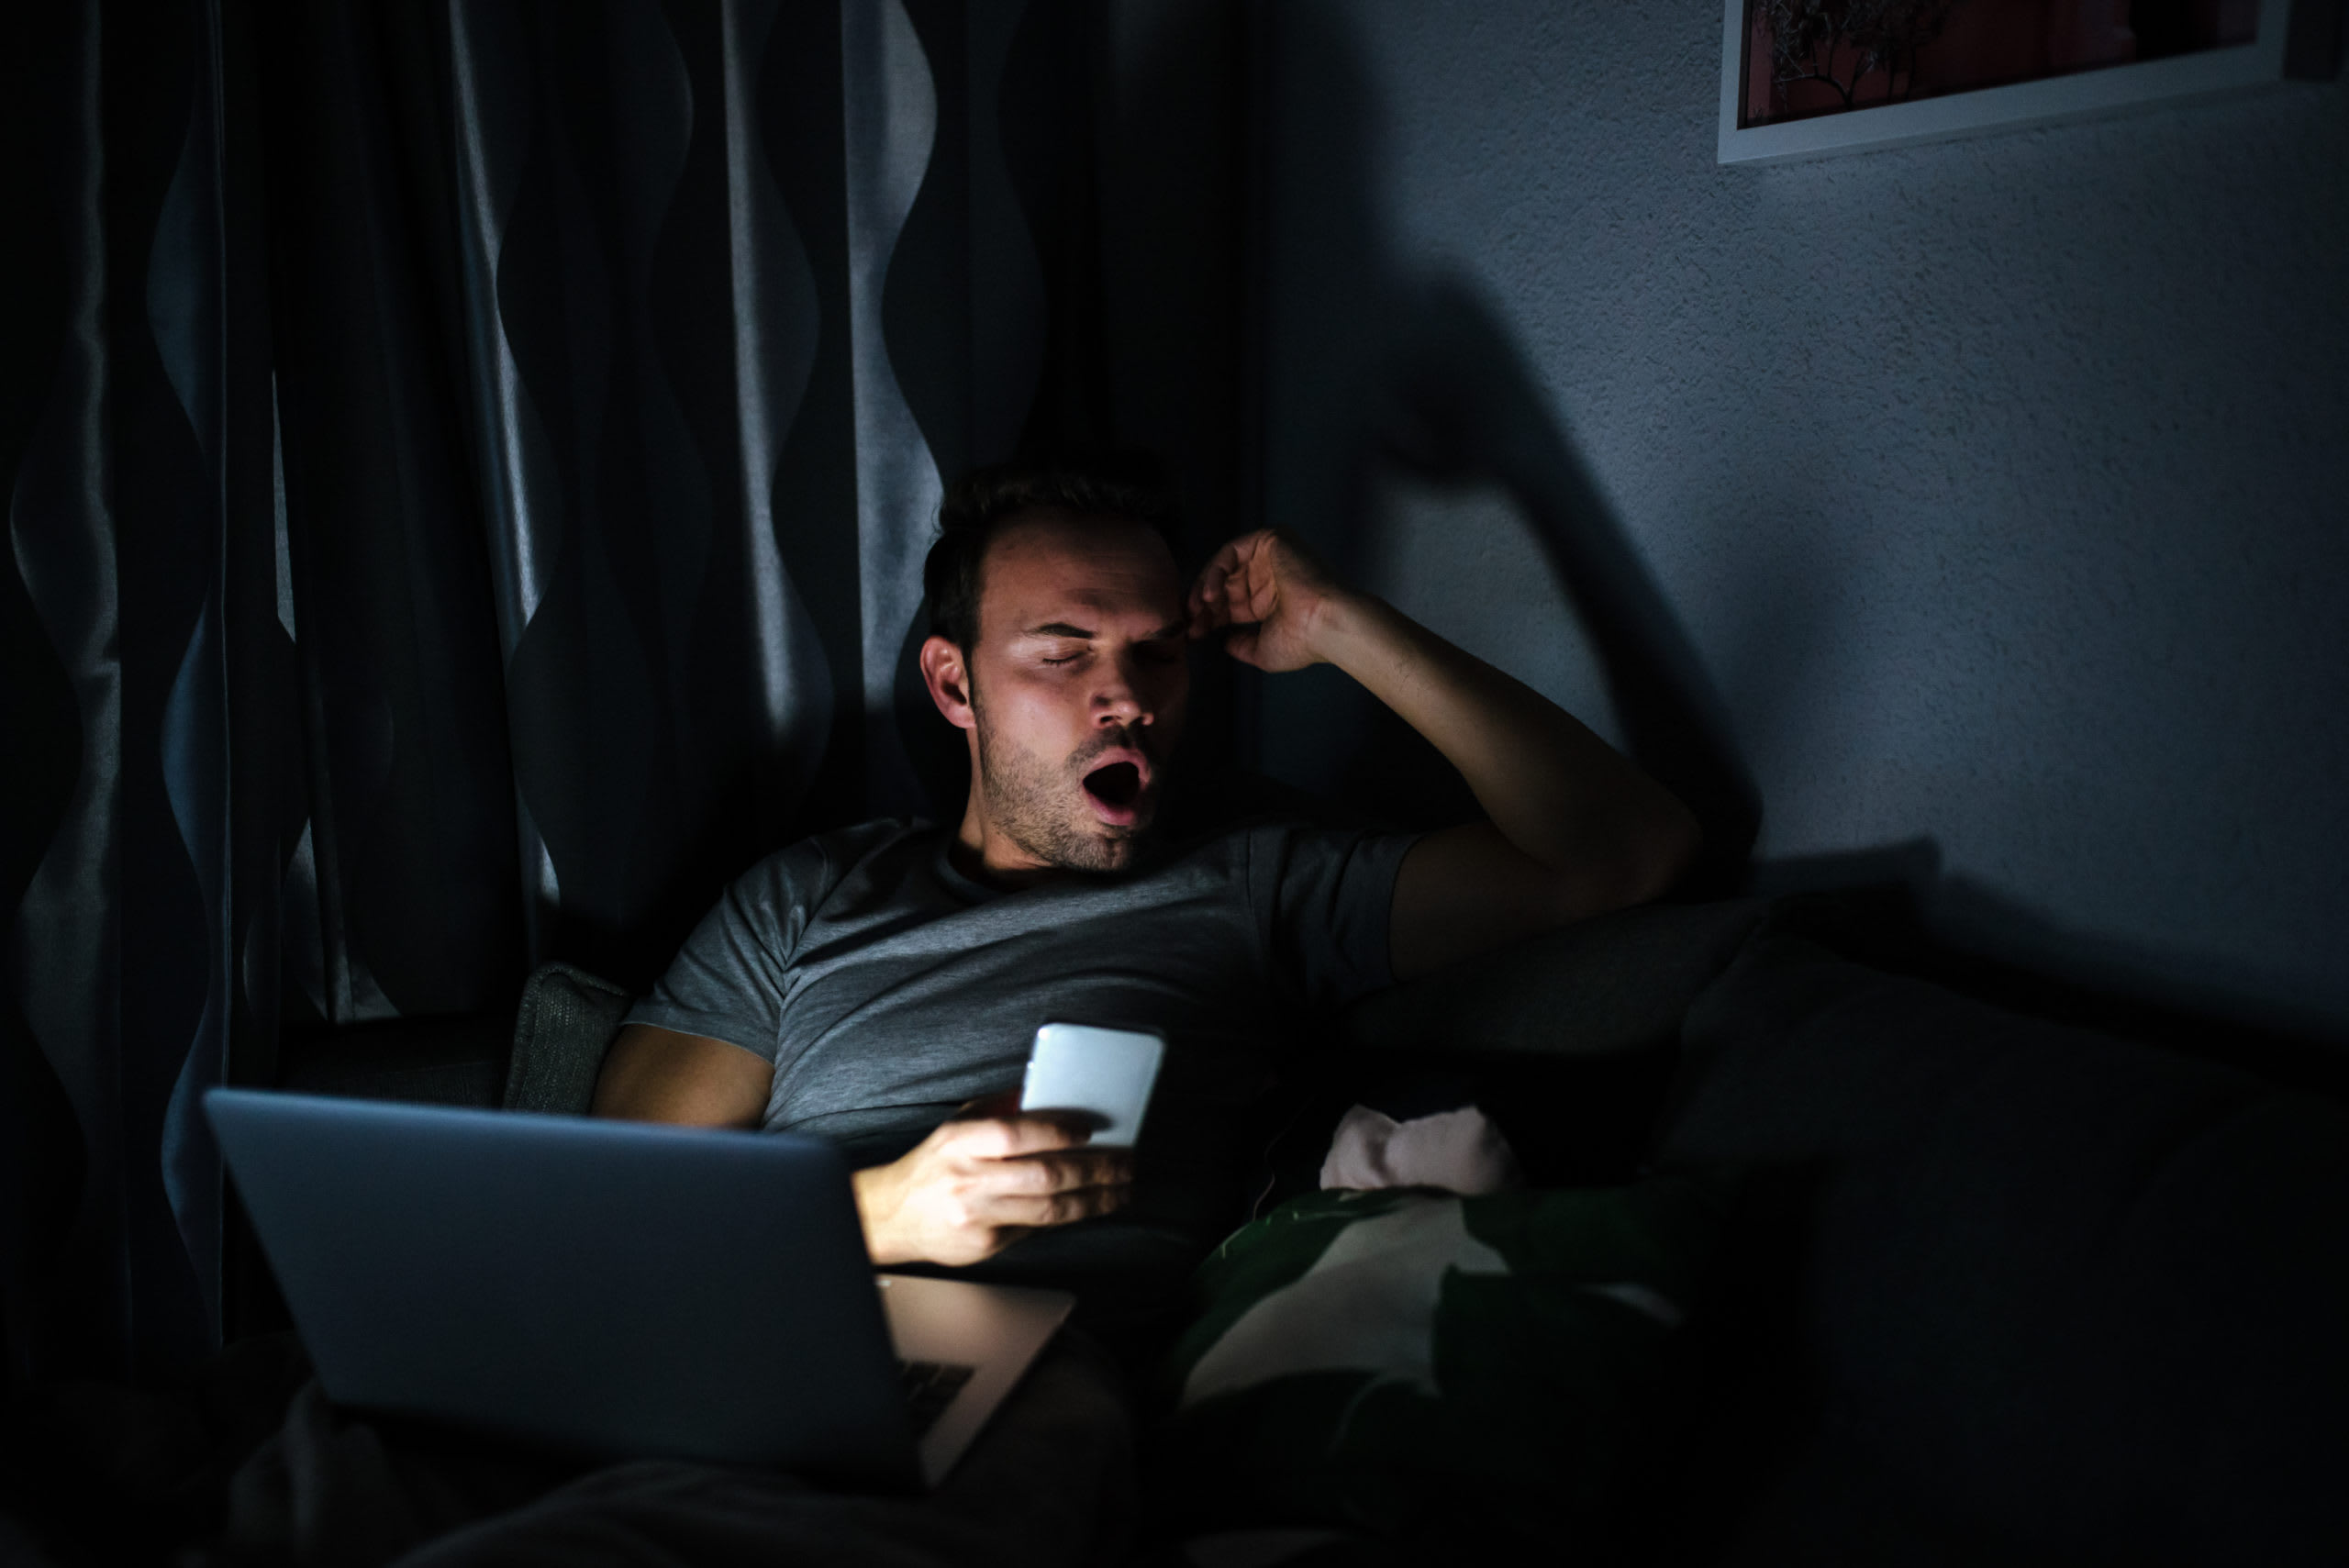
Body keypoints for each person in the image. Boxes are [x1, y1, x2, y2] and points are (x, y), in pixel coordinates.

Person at [592, 459, 1701, 1326]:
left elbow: (1621, 852)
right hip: (761, 1333)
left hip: (1029, 1378)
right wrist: (886, 1212)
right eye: (1062, 653)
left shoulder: (1258, 883)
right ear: (952, 682)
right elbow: (614, 1213)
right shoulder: (806, 896)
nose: (1124, 695)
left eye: (1157, 652)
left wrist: (1336, 624)